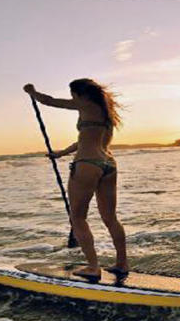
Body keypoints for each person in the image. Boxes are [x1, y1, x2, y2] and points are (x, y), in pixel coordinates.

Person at [26, 78, 127, 282]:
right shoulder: (107, 112)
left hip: (87, 164)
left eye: (73, 94)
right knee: (110, 218)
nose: (72, 98)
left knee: (78, 218)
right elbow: (86, 139)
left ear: (80, 93)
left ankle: (92, 267)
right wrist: (61, 153)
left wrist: (32, 92)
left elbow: (51, 101)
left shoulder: (84, 104)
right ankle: (122, 263)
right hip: (108, 164)